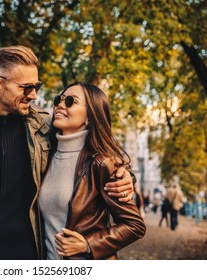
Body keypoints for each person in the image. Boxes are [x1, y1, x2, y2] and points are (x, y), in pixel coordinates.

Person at [0, 46, 135, 260]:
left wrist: (124, 174)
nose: (33, 95)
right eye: (26, 87)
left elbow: (89, 148)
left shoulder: (46, 130)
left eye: (36, 86)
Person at [39, 82, 146, 260]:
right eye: (59, 99)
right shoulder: (45, 156)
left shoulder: (102, 164)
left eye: (70, 101)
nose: (60, 104)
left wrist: (88, 244)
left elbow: (135, 225)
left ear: (90, 116)